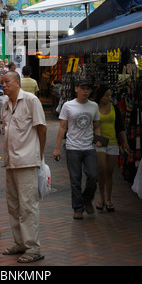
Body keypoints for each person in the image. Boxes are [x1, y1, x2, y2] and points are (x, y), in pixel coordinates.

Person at [1, 71, 47, 264]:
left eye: (7, 81)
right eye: (1, 82)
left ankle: (33, 248)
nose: (4, 85)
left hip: (27, 161)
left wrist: (39, 154)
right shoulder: (5, 105)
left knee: (27, 206)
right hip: (11, 162)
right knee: (13, 205)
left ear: (18, 83)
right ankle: (19, 243)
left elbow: (42, 129)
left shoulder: (31, 100)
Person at [53, 78, 101, 220]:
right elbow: (62, 127)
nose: (85, 91)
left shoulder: (94, 106)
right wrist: (57, 148)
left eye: (88, 88)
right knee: (75, 180)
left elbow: (97, 125)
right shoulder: (68, 106)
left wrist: (98, 141)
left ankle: (87, 199)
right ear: (76, 89)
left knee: (93, 176)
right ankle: (78, 208)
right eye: (82, 88)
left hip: (89, 147)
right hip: (73, 147)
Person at [94, 85, 129, 212]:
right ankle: (101, 198)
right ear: (101, 96)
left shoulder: (114, 108)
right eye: (106, 95)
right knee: (101, 170)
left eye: (110, 95)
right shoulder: (94, 108)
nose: (109, 98)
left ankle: (108, 199)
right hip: (100, 142)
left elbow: (120, 127)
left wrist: (125, 142)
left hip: (113, 142)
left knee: (109, 172)